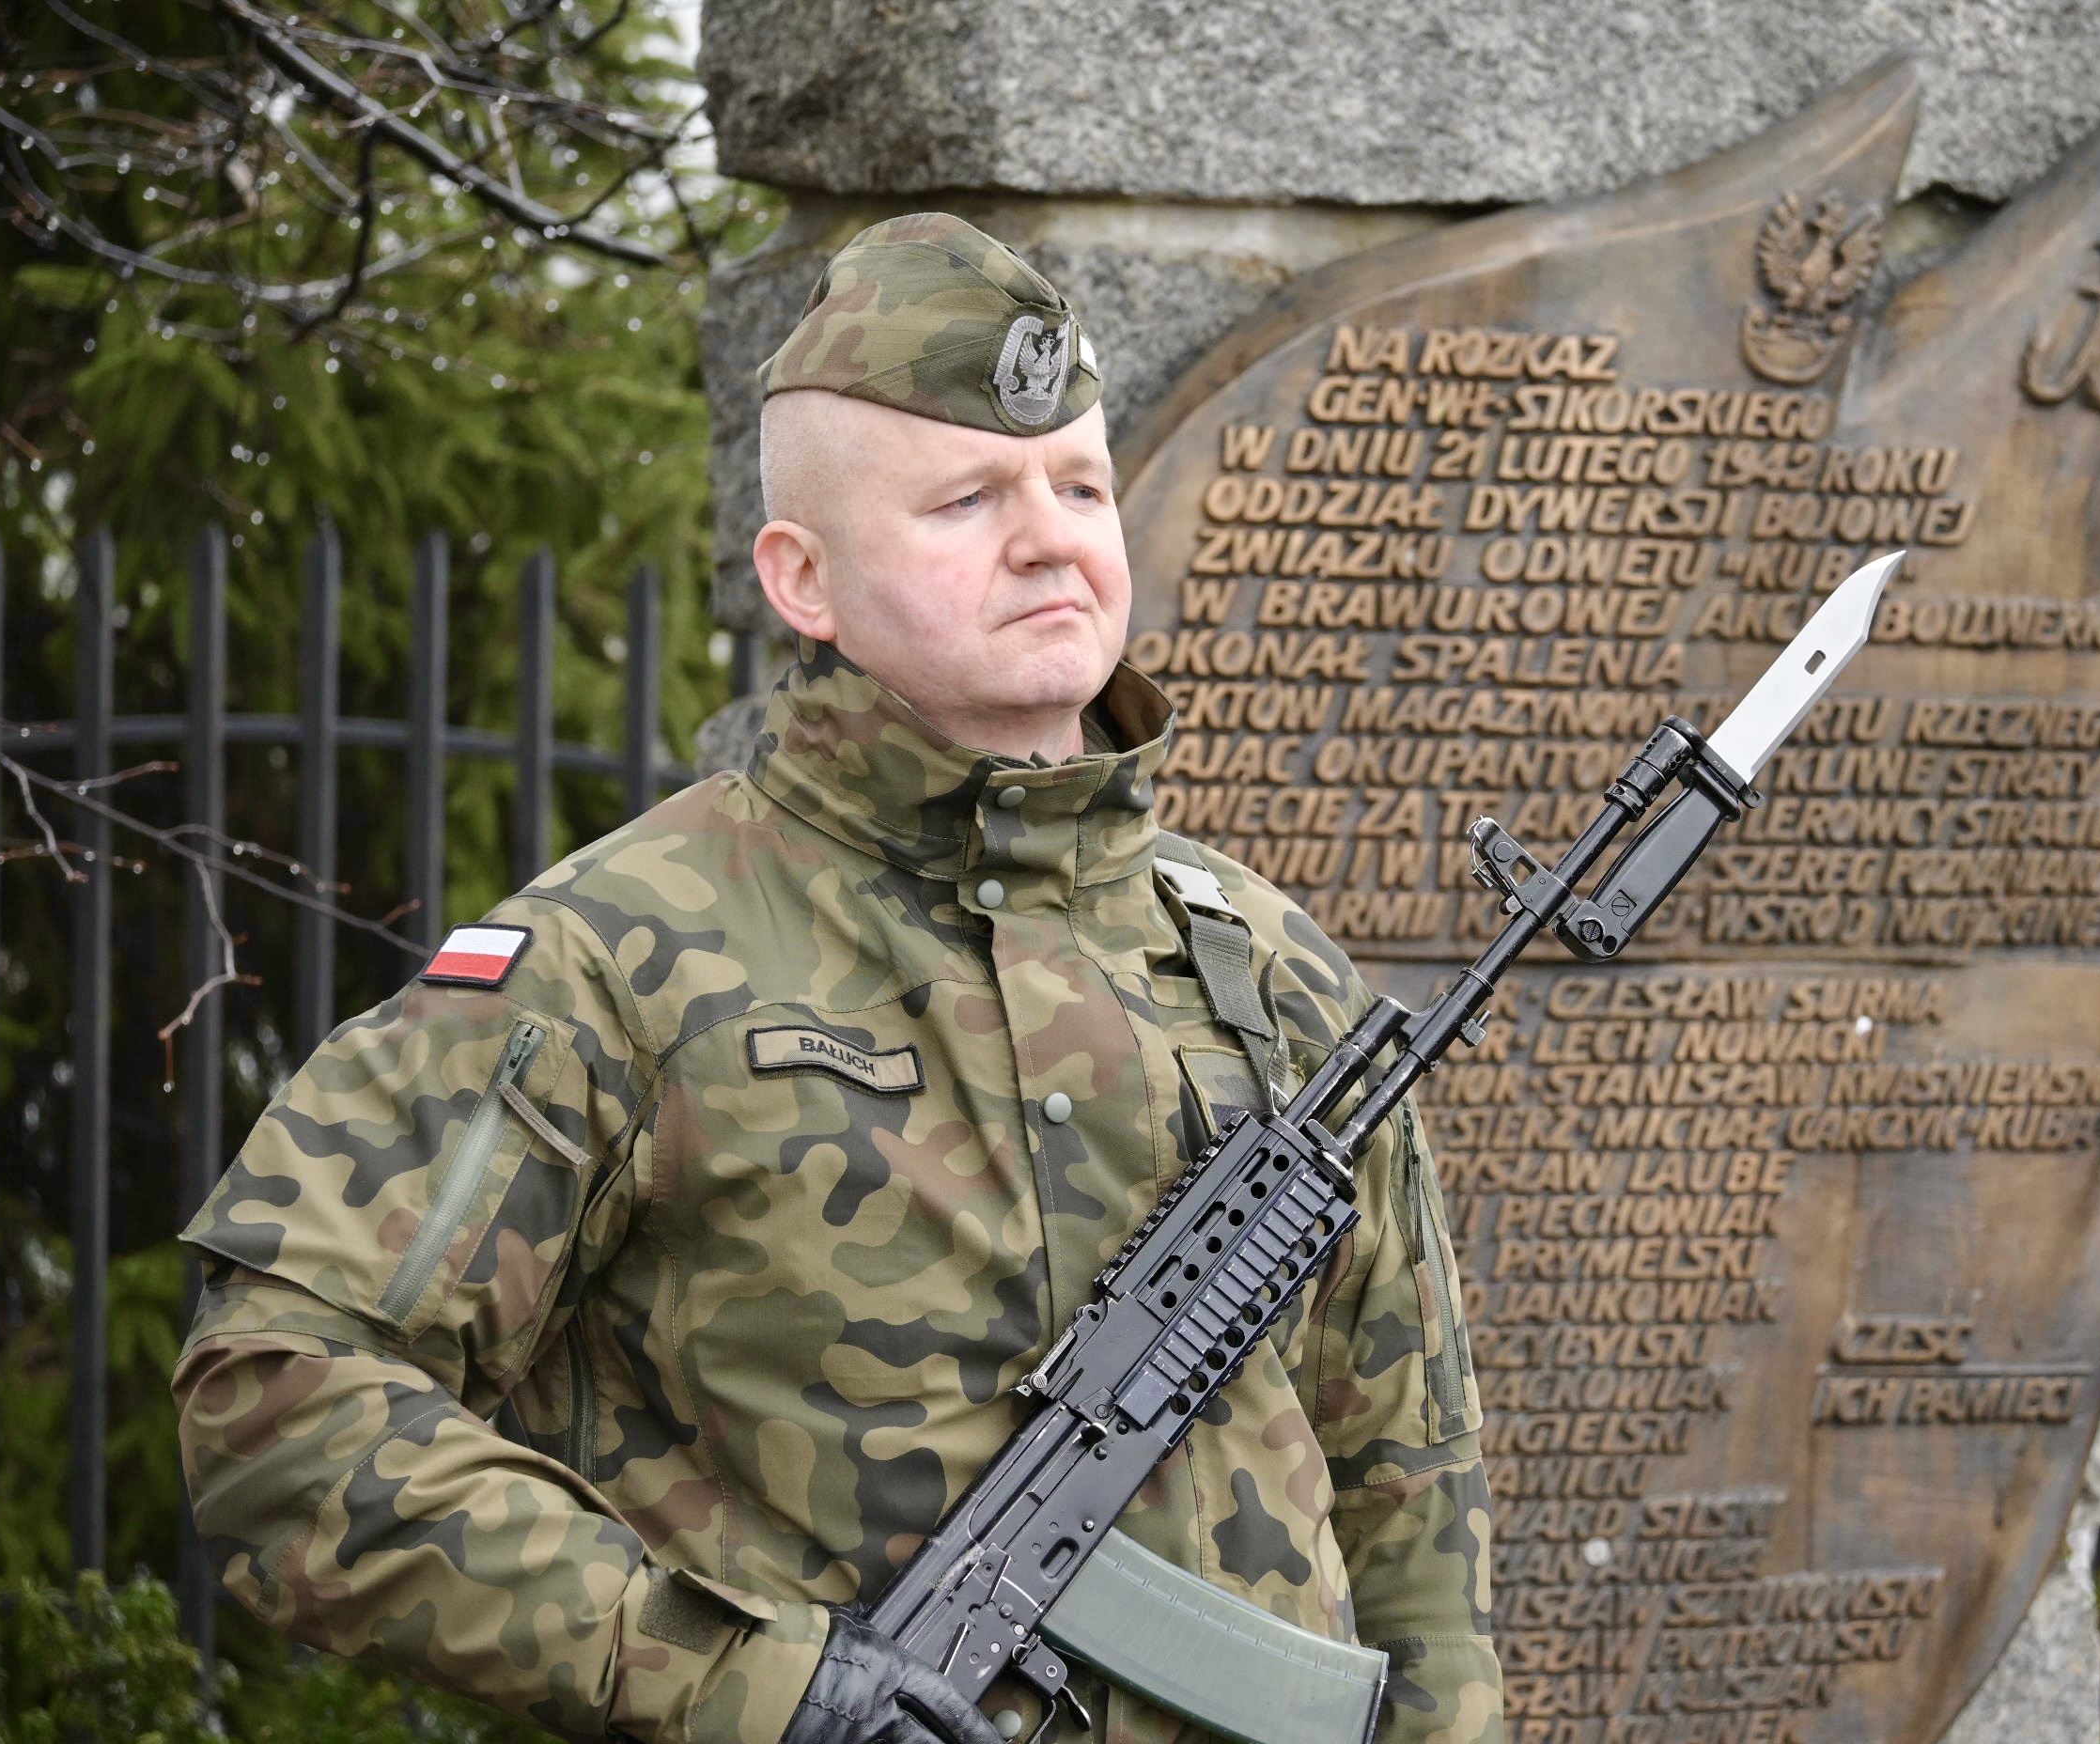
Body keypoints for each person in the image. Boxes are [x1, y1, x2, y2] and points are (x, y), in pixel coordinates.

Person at [171, 213, 1501, 1744]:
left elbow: (1414, 1502)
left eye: (1079, 482)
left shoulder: (1271, 973)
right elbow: (281, 1401)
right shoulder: (618, 961)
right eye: (965, 497)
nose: (1050, 534)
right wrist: (745, 1686)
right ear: (802, 577)